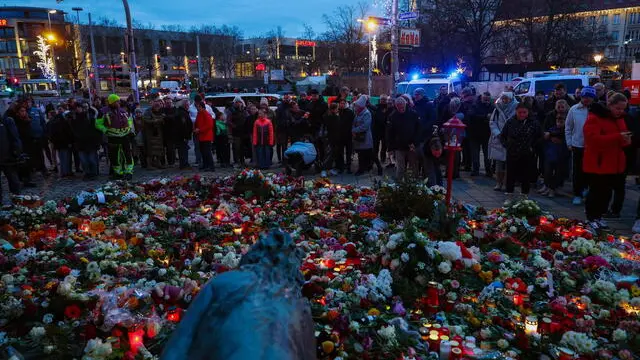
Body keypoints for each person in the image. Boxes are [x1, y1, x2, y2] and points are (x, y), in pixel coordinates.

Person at [582, 92, 631, 230]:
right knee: (597, 191)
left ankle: (599, 216)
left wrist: (626, 140)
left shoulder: (620, 118)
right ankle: (591, 217)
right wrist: (618, 137)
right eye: (618, 109)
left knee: (607, 192)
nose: (620, 112)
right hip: (599, 162)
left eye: (623, 109)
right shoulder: (595, 117)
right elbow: (592, 140)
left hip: (614, 163)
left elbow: (622, 140)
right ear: (610, 105)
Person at [500, 103, 541, 196]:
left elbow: (539, 136)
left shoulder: (534, 123)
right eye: (520, 112)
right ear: (516, 112)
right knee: (510, 174)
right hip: (512, 152)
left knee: (525, 175)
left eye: (524, 112)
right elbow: (502, 136)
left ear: (528, 112)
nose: (522, 114)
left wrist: (532, 147)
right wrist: (507, 145)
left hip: (527, 153)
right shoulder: (510, 122)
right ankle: (509, 193)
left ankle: (524, 195)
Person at [565, 86, 596, 205]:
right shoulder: (574, 109)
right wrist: (569, 142)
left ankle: (587, 190)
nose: (586, 99)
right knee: (577, 171)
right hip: (578, 144)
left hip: (593, 146)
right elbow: (568, 127)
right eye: (584, 97)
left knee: (590, 171)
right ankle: (577, 193)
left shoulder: (596, 110)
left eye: (589, 97)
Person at [96, 94, 135, 180]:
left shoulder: (123, 111)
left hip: (124, 136)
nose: (118, 103)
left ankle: (129, 172)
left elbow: (129, 120)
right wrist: (105, 130)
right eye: (116, 101)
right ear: (111, 102)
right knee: (115, 156)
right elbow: (98, 123)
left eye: (118, 101)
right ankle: (118, 173)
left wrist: (128, 128)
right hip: (113, 137)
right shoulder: (103, 111)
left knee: (127, 155)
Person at [489, 92, 518, 191]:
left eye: (507, 99)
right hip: (499, 139)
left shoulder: (516, 109)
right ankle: (498, 182)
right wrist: (498, 133)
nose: (505, 101)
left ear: (511, 99)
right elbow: (492, 122)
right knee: (498, 164)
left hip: (511, 139)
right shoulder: (497, 109)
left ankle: (507, 183)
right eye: (503, 98)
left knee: (509, 165)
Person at [386, 96, 421, 180]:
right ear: (396, 106)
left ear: (405, 105)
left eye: (402, 107)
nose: (401, 109)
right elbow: (390, 133)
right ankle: (399, 184)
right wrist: (390, 147)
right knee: (400, 167)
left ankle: (414, 183)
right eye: (399, 107)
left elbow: (418, 130)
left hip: (411, 145)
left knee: (413, 166)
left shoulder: (413, 114)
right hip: (399, 145)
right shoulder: (393, 116)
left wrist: (415, 142)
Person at [540, 111, 570, 197]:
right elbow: (545, 138)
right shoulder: (551, 129)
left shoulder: (566, 131)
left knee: (558, 174)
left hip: (560, 155)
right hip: (550, 155)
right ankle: (548, 187)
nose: (559, 123)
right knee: (548, 173)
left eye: (562, 121)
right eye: (558, 121)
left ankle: (553, 189)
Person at [70, 102, 102, 180]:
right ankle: (87, 173)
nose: (77, 109)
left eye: (79, 107)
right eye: (76, 108)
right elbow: (73, 130)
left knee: (92, 159)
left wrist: (98, 142)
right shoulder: (74, 118)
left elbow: (96, 130)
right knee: (84, 161)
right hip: (80, 143)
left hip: (91, 143)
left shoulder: (91, 117)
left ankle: (93, 173)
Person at [468, 92, 493, 177]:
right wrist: (485, 117)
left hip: (486, 133)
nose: (486, 101)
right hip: (475, 133)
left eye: (488, 99)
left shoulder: (492, 106)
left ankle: (488, 170)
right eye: (485, 99)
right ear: (482, 98)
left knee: (487, 154)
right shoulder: (475, 105)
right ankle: (476, 170)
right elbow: (471, 116)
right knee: (475, 153)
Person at [0, 109, 22, 203]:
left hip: (8, 158)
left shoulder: (6, 121)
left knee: (14, 182)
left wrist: (16, 153)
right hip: (5, 157)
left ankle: (17, 202)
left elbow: (15, 138)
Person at [47, 105, 74, 177]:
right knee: (66, 157)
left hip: (59, 142)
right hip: (64, 142)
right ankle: (66, 172)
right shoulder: (62, 119)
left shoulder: (55, 119)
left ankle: (64, 171)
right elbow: (68, 131)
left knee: (63, 158)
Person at [351, 95, 373, 176]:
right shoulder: (358, 112)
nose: (355, 107)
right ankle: (362, 168)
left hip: (365, 138)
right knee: (360, 154)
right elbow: (354, 122)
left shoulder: (367, 113)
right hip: (359, 138)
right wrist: (353, 129)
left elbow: (365, 126)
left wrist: (354, 130)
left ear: (361, 106)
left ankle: (362, 169)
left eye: (357, 106)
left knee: (364, 154)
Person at [143, 99, 166, 169]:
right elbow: (145, 120)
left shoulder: (160, 111)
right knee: (150, 149)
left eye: (158, 106)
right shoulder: (148, 111)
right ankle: (149, 165)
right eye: (156, 105)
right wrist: (156, 121)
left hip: (158, 133)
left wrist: (162, 119)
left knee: (159, 149)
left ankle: (158, 163)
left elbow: (163, 120)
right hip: (150, 133)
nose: (157, 107)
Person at [194, 101, 215, 172]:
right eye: (197, 106)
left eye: (198, 106)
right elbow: (197, 123)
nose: (197, 108)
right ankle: (205, 165)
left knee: (207, 152)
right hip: (201, 136)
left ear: (202, 107)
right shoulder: (199, 113)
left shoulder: (206, 114)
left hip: (206, 136)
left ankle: (211, 166)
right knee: (203, 152)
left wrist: (199, 130)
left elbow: (209, 125)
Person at [372, 95, 391, 174]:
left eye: (384, 99)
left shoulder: (388, 108)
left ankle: (382, 158)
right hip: (376, 130)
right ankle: (374, 159)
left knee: (384, 146)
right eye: (382, 99)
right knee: (375, 146)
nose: (383, 101)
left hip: (384, 130)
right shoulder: (377, 107)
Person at [174, 99, 193, 169]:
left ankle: (184, 163)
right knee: (183, 150)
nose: (189, 106)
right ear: (185, 105)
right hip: (182, 136)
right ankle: (184, 164)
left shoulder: (182, 112)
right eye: (188, 105)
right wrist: (186, 136)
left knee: (183, 150)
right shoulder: (182, 113)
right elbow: (183, 125)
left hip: (181, 135)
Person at [229, 96, 248, 167]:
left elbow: (246, 119)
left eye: (239, 102)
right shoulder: (232, 111)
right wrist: (234, 126)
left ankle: (242, 161)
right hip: (236, 133)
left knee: (242, 147)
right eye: (237, 102)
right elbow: (229, 121)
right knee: (236, 148)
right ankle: (236, 161)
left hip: (243, 132)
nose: (238, 104)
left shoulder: (244, 111)